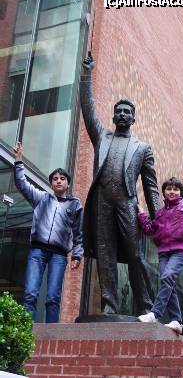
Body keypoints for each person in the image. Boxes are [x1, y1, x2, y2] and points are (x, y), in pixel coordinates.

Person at [80, 53, 160, 315]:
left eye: (127, 112)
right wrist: (87, 74)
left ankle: (146, 305)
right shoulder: (101, 137)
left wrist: (159, 217)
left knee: (135, 255)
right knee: (105, 253)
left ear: (134, 118)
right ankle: (109, 304)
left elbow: (151, 187)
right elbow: (88, 107)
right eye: (118, 111)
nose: (122, 114)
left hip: (127, 202)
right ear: (113, 118)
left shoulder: (142, 148)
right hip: (102, 201)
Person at [14, 142, 83, 323]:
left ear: (67, 183)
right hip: (37, 250)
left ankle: (51, 337)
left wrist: (77, 254)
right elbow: (22, 184)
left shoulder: (74, 204)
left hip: (59, 255)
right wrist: (18, 161)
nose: (58, 180)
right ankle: (25, 335)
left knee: (53, 297)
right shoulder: (42, 198)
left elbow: (78, 232)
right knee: (30, 294)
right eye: (55, 178)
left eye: (62, 178)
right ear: (51, 183)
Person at [137, 168, 183, 333]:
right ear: (164, 192)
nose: (172, 191)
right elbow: (149, 229)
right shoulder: (160, 214)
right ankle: (177, 320)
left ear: (181, 193)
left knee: (168, 277)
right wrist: (141, 215)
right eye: (169, 189)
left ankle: (155, 313)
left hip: (179, 251)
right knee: (168, 283)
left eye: (175, 189)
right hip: (163, 253)